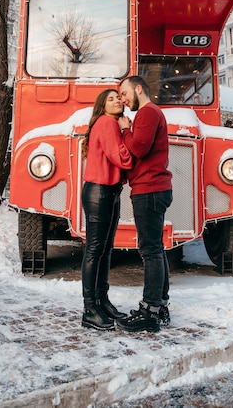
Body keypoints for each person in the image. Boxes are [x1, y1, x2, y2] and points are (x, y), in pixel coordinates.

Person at [117, 76, 173, 333]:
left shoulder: (148, 113)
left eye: (125, 93)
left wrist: (124, 128)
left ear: (139, 89)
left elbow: (139, 148)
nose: (123, 99)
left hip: (149, 189)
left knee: (150, 250)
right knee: (156, 249)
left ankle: (149, 311)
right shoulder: (150, 114)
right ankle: (159, 306)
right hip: (155, 189)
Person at [81, 89, 133, 331]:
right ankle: (90, 309)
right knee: (95, 249)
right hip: (99, 192)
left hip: (108, 191)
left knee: (104, 249)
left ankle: (102, 301)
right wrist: (125, 131)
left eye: (118, 98)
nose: (117, 101)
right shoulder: (107, 123)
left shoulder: (107, 122)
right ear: (102, 105)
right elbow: (122, 159)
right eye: (110, 99)